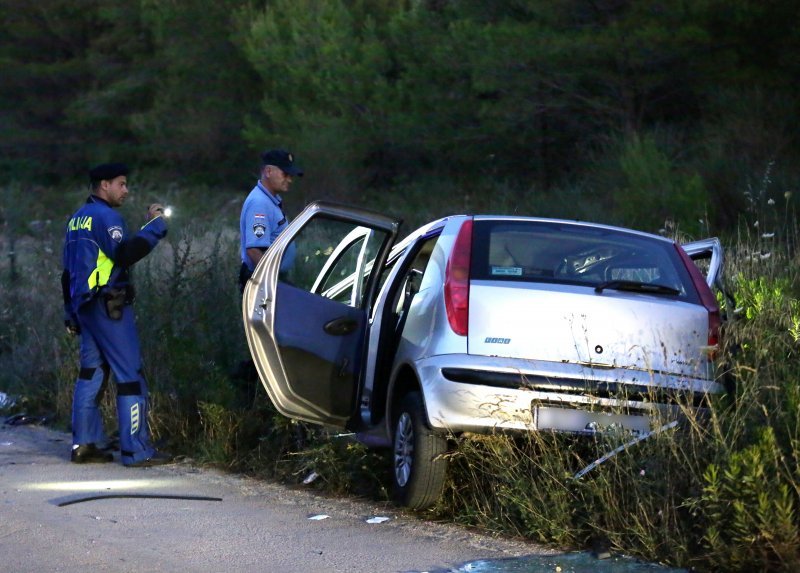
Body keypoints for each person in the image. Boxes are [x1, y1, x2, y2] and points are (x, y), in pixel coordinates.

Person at [61, 162, 172, 467]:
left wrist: (69, 312)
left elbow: (66, 272)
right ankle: (136, 451)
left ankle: (85, 446)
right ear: (104, 185)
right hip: (109, 306)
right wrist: (155, 227)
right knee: (130, 377)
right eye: (121, 184)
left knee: (91, 374)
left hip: (84, 307)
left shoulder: (77, 219)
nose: (126, 190)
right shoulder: (107, 216)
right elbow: (124, 254)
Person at [238, 149, 303, 292]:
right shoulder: (259, 204)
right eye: (285, 174)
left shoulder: (269, 200)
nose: (290, 179)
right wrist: (272, 284)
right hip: (262, 282)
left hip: (268, 279)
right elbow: (254, 250)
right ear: (268, 172)